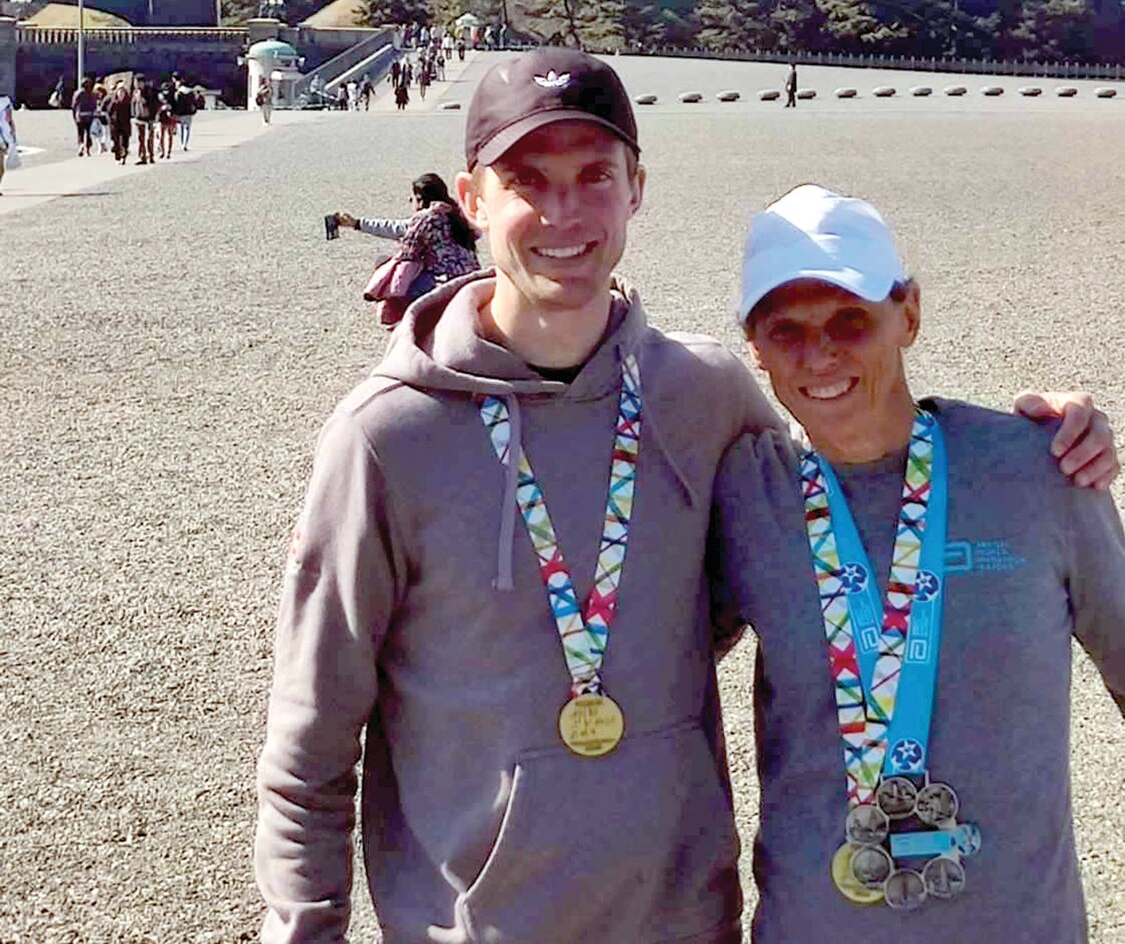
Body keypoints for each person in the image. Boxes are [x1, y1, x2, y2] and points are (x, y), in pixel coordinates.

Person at [255, 49, 1116, 944]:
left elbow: (864, 478)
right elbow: (308, 753)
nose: (563, 212)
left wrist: (1044, 441)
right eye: (527, 181)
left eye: (594, 176)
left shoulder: (704, 399)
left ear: (636, 187)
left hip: (687, 921)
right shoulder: (385, 439)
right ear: (471, 201)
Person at [712, 185, 1125, 941]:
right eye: (785, 331)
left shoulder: (1041, 470)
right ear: (754, 347)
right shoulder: (742, 496)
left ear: (908, 312)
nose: (819, 354)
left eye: (849, 320)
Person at [335, 172, 481, 324]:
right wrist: (356, 223)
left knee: (395, 286)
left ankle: (410, 324)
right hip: (471, 275)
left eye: (412, 198)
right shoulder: (459, 214)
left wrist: (356, 224)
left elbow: (407, 251)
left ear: (420, 199)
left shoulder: (425, 218)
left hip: (444, 280)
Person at [71, 75, 97, 156]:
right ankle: (88, 149)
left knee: (80, 133)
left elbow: (74, 105)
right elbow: (94, 105)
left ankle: (81, 145)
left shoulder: (77, 93)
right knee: (88, 133)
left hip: (80, 115)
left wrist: (74, 116)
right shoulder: (92, 94)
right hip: (89, 115)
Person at [107, 83, 132, 164]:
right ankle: (117, 157)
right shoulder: (113, 102)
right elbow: (109, 111)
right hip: (115, 125)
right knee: (116, 142)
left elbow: (131, 113)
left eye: (123, 92)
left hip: (125, 124)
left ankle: (124, 157)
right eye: (120, 92)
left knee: (124, 142)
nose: (121, 94)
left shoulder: (127, 102)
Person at [173, 77, 199, 150]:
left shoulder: (178, 93)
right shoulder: (191, 92)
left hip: (180, 113)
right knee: (187, 129)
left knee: (180, 129)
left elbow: (175, 103)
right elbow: (195, 102)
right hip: (189, 113)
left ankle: (182, 143)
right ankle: (185, 144)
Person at [0, 92, 18, 193]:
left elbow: (9, 120)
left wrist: (12, 135)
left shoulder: (5, 103)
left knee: (1, 167)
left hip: (2, 138)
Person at [157, 79, 178, 159]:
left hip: (170, 117)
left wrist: (170, 108)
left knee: (169, 135)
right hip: (162, 117)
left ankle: (168, 152)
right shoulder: (160, 97)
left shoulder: (172, 97)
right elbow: (157, 107)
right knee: (162, 135)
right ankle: (163, 151)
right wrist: (161, 108)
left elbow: (175, 108)